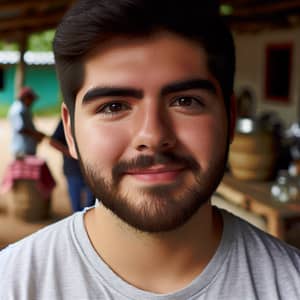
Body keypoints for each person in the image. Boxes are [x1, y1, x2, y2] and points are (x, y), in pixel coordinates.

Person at [1, 0, 300, 299]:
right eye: (114, 106)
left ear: (230, 117)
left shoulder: (290, 283)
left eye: (186, 101)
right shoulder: (12, 283)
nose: (153, 136)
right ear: (70, 130)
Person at [50, 119, 94, 211]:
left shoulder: (93, 118)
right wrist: (71, 153)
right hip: (73, 170)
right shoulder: (68, 119)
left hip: (93, 170)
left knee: (92, 206)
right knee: (77, 208)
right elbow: (53, 142)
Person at [7, 86, 45, 158]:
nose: (32, 102)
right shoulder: (18, 109)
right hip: (22, 150)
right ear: (26, 98)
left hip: (27, 149)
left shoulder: (24, 108)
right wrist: (36, 135)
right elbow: (20, 129)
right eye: (31, 99)